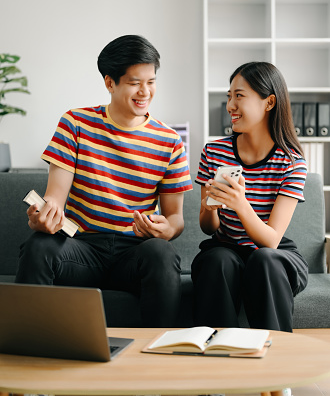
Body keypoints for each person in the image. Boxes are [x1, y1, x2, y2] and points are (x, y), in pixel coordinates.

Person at [15, 34, 192, 327]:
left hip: (135, 253)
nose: (145, 92)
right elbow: (55, 199)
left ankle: (160, 356)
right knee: (38, 246)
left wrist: (166, 229)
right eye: (135, 82)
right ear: (110, 82)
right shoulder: (75, 124)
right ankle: (27, 348)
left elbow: (175, 218)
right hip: (81, 249)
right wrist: (43, 217)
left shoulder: (169, 141)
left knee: (161, 253)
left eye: (151, 81)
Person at [191, 61, 308, 333]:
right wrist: (210, 206)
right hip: (225, 250)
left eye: (239, 96)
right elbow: (208, 228)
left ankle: (276, 358)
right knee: (218, 260)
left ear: (269, 102)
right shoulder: (213, 152)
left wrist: (240, 204)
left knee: (262, 260)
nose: (230, 105)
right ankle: (218, 353)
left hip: (273, 255)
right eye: (229, 96)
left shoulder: (291, 162)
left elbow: (270, 240)